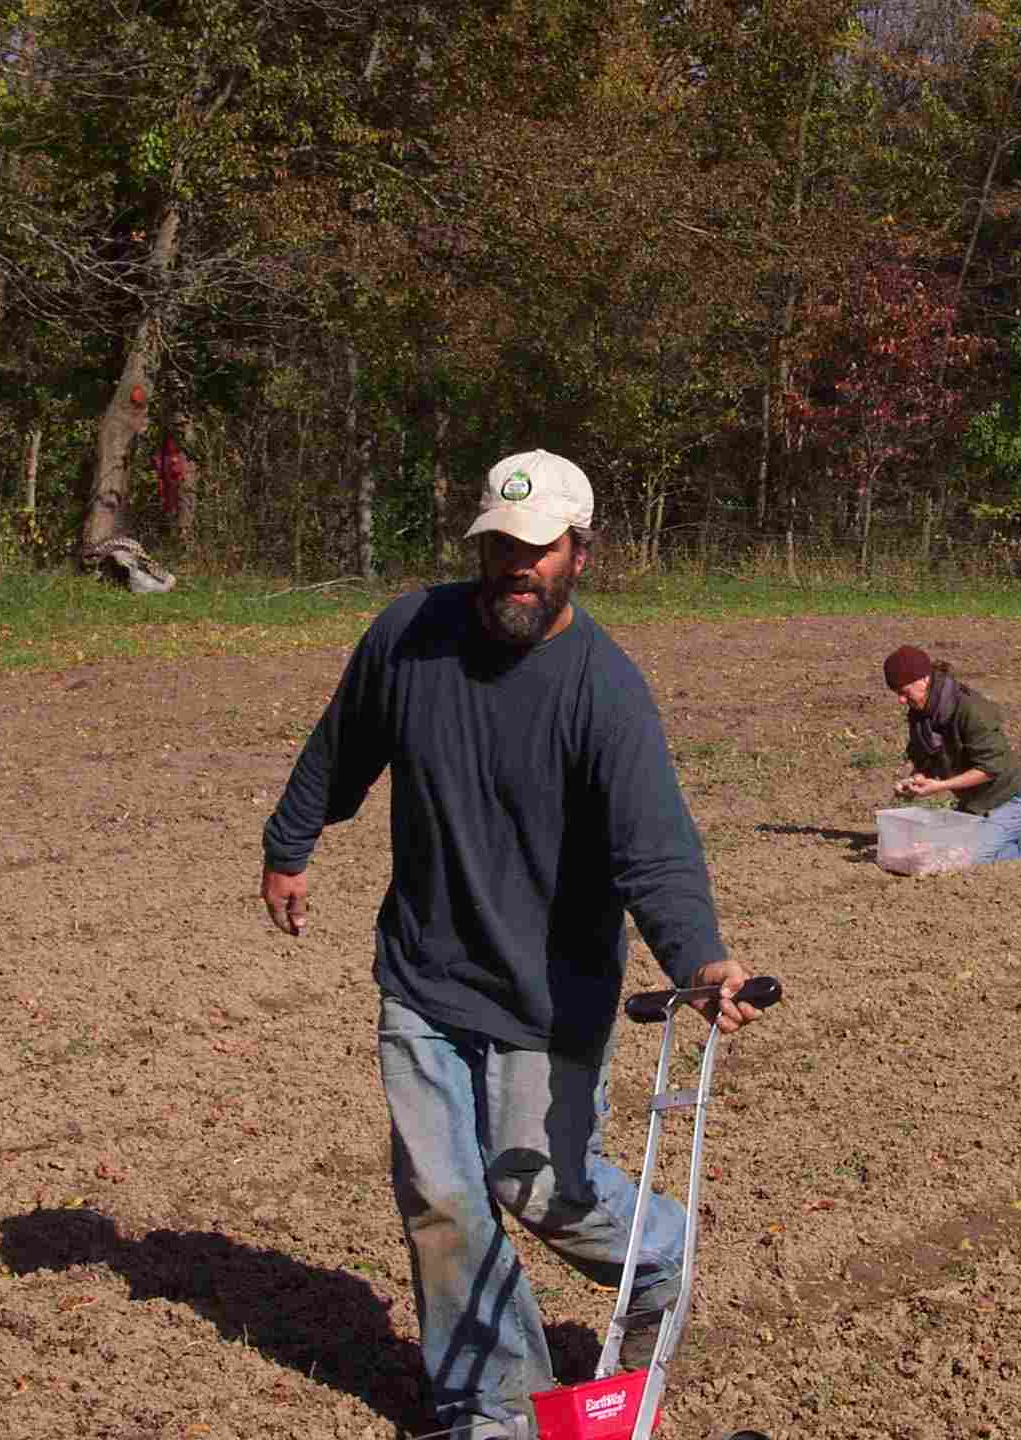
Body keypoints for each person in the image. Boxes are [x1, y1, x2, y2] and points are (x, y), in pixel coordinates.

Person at [259, 449, 764, 1440]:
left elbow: (654, 851)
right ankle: (499, 1416)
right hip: (424, 973)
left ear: (581, 553)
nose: (514, 568)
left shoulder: (603, 690)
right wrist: (291, 844)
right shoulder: (410, 636)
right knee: (444, 1200)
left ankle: (657, 1249)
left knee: (540, 1189)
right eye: (498, 547)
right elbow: (341, 741)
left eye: (535, 551)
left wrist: (699, 960)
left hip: (551, 996)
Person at [881, 646, 1021, 862]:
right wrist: (916, 779)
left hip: (1011, 801)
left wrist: (940, 786)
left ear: (924, 679)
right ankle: (1000, 834)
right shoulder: (921, 713)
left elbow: (990, 768)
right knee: (934, 852)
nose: (901, 700)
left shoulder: (970, 709)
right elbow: (926, 757)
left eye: (904, 691)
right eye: (897, 694)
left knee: (965, 859)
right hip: (976, 805)